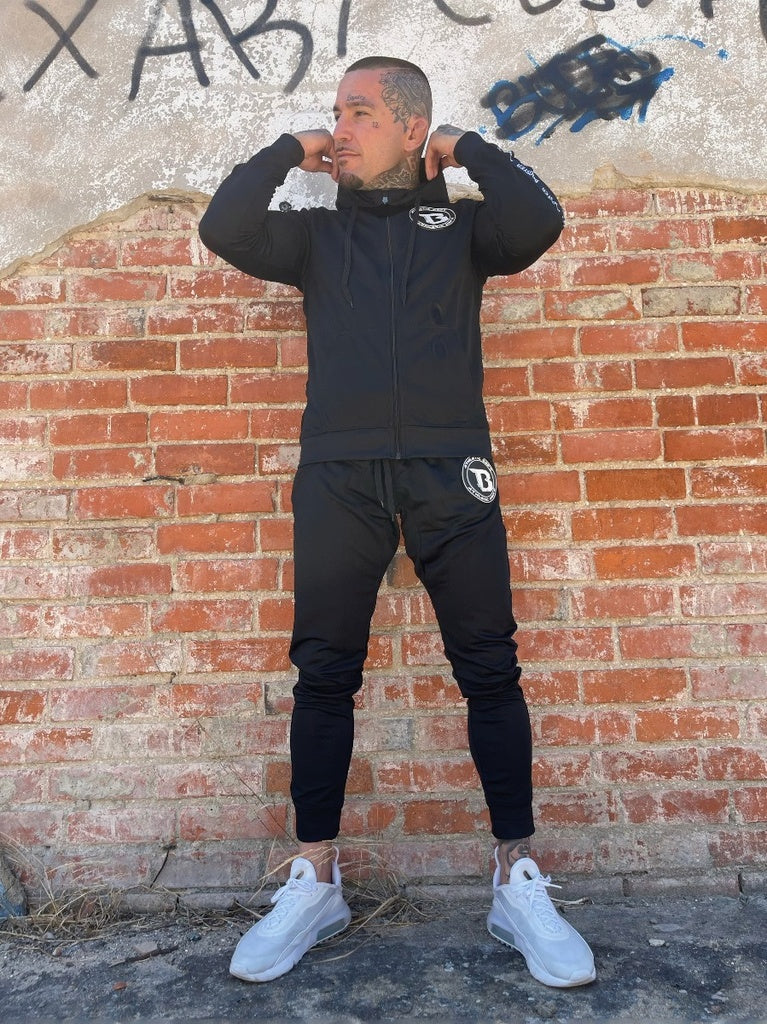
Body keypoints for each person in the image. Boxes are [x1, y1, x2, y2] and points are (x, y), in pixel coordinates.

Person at [199, 55, 595, 989]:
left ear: (413, 129)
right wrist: (291, 147)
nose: (340, 130)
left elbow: (538, 218)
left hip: (450, 468)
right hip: (339, 472)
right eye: (335, 115)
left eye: (360, 114)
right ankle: (316, 880)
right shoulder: (314, 236)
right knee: (323, 673)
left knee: (488, 667)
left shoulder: (463, 230)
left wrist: (463, 147)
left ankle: (514, 877)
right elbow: (224, 226)